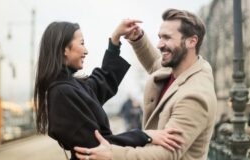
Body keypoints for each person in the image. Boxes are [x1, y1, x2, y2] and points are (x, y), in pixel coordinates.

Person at [74, 8, 217, 160]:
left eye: (167, 38)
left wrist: (112, 154)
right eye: (160, 37)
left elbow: (166, 154)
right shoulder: (178, 69)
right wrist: (138, 38)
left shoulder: (195, 95)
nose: (159, 44)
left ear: (191, 41)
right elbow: (156, 64)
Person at [34, 21, 184, 160]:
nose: (86, 50)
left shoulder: (69, 87)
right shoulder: (62, 93)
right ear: (64, 49)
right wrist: (145, 136)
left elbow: (102, 81)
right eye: (82, 43)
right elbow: (97, 148)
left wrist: (115, 40)